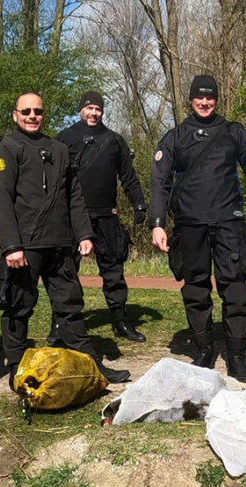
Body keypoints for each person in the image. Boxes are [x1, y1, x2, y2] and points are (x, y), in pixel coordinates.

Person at [0, 92, 130, 388]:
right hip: (24, 247)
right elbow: (1, 201)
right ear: (15, 115)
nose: (32, 116)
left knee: (70, 306)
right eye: (26, 111)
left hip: (60, 244)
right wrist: (12, 246)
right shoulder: (6, 150)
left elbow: (74, 195)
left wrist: (84, 234)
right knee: (18, 307)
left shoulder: (59, 149)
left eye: (38, 111)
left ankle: (91, 365)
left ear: (44, 114)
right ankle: (16, 368)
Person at [150, 75, 246, 383]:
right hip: (189, 223)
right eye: (200, 97)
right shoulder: (175, 136)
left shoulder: (234, 132)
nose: (205, 102)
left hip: (228, 220)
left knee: (235, 289)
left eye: (210, 97)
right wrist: (157, 223)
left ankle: (236, 357)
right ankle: (204, 350)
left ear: (217, 100)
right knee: (195, 288)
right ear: (190, 99)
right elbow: (160, 181)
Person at [47, 91, 148, 345]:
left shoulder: (115, 141)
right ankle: (59, 323)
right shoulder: (64, 139)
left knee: (114, 272)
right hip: (73, 216)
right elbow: (51, 177)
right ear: (81, 110)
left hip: (106, 216)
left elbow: (128, 176)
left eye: (98, 109)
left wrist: (138, 203)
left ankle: (120, 320)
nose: (93, 113)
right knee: (65, 272)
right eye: (89, 108)